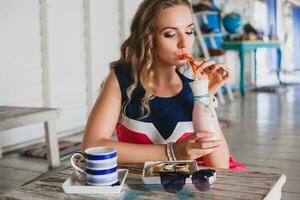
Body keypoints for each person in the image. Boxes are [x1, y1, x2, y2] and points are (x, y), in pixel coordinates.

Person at [81, 0, 245, 170]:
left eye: (189, 31)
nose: (184, 43)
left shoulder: (196, 85)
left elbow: (220, 166)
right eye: (170, 34)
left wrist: (206, 97)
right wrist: (171, 152)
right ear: (148, 38)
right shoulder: (122, 79)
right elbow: (91, 148)